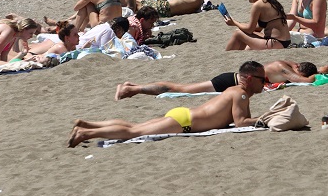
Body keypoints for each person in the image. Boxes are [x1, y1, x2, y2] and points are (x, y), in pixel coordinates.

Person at [69, 60, 268, 145]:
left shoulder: (234, 91)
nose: (264, 83)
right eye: (262, 80)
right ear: (249, 79)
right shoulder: (240, 94)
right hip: (185, 123)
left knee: (134, 126)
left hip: (183, 116)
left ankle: (88, 125)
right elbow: (241, 123)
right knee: (133, 132)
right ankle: (86, 134)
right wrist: (265, 119)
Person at [116, 60, 320, 99]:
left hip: (231, 77)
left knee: (183, 87)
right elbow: (306, 82)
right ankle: (132, 90)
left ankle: (133, 87)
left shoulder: (286, 62)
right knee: (182, 89)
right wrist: (318, 73)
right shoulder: (284, 69)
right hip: (230, 81)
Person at [223, 0, 291, 50]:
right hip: (285, 42)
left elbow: (249, 30)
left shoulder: (258, 5)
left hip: (275, 43)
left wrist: (234, 23)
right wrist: (240, 24)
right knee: (248, 47)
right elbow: (257, 28)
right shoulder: (272, 1)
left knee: (238, 33)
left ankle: (226, 55)